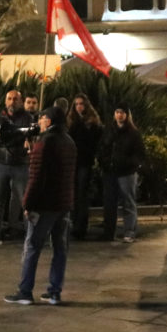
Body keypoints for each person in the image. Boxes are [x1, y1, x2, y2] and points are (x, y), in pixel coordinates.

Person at [3, 106, 76, 306]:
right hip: (63, 203)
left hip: (44, 204)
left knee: (32, 246)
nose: (39, 122)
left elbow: (36, 177)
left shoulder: (45, 143)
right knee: (60, 248)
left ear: (49, 121)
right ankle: (54, 292)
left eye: (42, 118)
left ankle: (25, 291)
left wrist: (28, 203)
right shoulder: (69, 142)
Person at [0, 89, 33, 245]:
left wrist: (8, 137)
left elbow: (29, 136)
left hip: (20, 164)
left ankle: (30, 234)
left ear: (20, 101)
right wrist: (6, 141)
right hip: (1, 163)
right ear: (5, 101)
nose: (12, 102)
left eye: (15, 99)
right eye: (10, 99)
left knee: (25, 201)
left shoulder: (28, 118)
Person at [99, 104, 145, 243]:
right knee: (109, 203)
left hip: (127, 172)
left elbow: (140, 153)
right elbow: (102, 148)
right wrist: (105, 162)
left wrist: (129, 163)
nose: (119, 115)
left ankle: (129, 232)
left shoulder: (133, 133)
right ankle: (109, 232)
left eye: (122, 112)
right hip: (110, 171)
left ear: (127, 115)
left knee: (128, 202)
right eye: (117, 112)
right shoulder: (108, 131)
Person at [67, 93, 102, 240]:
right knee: (73, 193)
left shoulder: (92, 123)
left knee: (82, 193)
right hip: (72, 162)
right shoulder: (70, 122)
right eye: (76, 104)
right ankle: (73, 223)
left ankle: (81, 226)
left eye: (81, 104)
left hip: (84, 162)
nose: (79, 107)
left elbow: (93, 142)